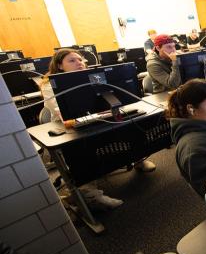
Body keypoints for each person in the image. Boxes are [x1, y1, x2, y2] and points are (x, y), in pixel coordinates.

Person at [39, 49, 153, 211]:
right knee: (81, 150)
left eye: (80, 60)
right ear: (59, 65)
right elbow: (60, 112)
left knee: (132, 125)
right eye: (72, 60)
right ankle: (91, 195)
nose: (79, 63)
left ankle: (138, 158)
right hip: (70, 128)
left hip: (99, 119)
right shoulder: (50, 85)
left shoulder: (93, 77)